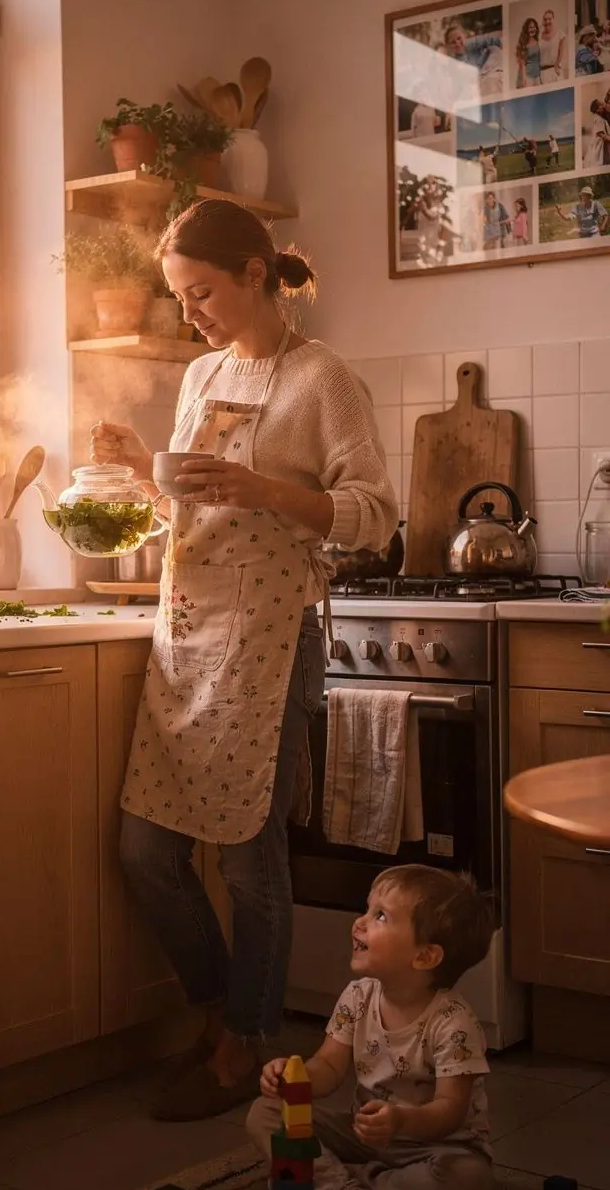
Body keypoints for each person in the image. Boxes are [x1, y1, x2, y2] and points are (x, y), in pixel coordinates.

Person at [90, 199, 398, 1121]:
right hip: (188, 639)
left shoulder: (323, 381)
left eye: (202, 291)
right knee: (145, 851)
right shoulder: (201, 375)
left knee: (251, 863)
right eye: (180, 296)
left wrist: (270, 489)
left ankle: (244, 1042)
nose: (190, 312)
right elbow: (198, 509)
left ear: (257, 274)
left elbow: (375, 512)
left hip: (272, 638)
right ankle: (229, 1014)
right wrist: (137, 477)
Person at [247, 866, 494, 1190]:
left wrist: (401, 1120)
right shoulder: (358, 997)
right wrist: (292, 1079)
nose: (359, 923)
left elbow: (451, 1110)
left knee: (467, 1185)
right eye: (367, 909)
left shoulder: (453, 1024)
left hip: (437, 1147)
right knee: (264, 1113)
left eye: (380, 916)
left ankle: (336, 1183)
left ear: (425, 956)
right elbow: (328, 1067)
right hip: (364, 1137)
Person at [584, 92, 610, 169]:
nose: (604, 106)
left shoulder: (600, 118)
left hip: (602, 146)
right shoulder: (598, 119)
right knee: (597, 162)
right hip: (598, 148)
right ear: (598, 110)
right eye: (601, 105)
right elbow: (602, 135)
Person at [540, 8, 566, 82]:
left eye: (550, 19)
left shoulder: (560, 34)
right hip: (542, 72)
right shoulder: (539, 36)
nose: (547, 21)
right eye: (545, 19)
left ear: (553, 19)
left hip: (555, 70)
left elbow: (561, 52)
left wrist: (556, 66)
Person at [515, 17, 541, 88]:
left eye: (534, 27)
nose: (532, 29)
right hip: (528, 77)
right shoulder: (523, 44)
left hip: (538, 76)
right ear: (526, 29)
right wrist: (524, 78)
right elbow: (522, 63)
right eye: (530, 27)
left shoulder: (539, 41)